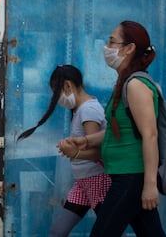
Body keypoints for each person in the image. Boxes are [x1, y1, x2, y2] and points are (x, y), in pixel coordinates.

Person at [68, 20, 166, 236]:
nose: (107, 47)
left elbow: (150, 135)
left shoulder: (135, 85)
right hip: (125, 174)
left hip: (132, 176)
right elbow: (117, 132)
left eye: (112, 41)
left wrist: (150, 185)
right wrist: (85, 141)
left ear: (129, 48)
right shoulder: (124, 83)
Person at [18, 64, 115, 237]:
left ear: (68, 86)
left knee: (110, 231)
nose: (57, 98)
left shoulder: (89, 110)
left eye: (57, 92)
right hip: (82, 183)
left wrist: (75, 153)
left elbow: (99, 151)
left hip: (97, 182)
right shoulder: (80, 109)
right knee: (58, 231)